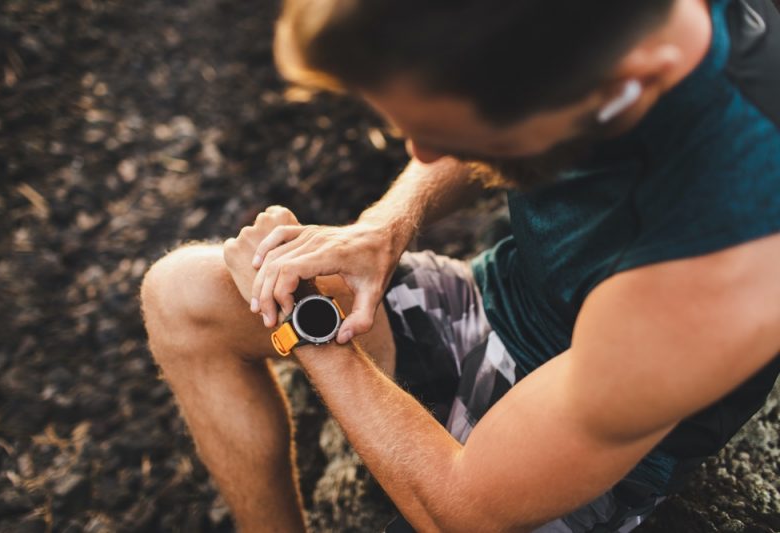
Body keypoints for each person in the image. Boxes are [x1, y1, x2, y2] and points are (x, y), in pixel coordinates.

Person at [140, 0, 780, 530]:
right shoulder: (587, 47)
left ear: (622, 86)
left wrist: (305, 325)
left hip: (579, 462)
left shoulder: (726, 257)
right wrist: (385, 226)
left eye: (469, 137)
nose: (422, 152)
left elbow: (466, 508)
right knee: (183, 293)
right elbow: (465, 106)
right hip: (490, 308)